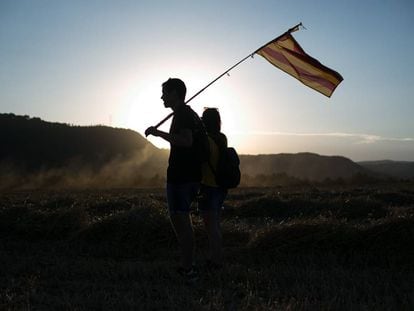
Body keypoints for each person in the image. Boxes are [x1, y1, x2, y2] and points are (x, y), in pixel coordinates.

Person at [145, 78, 201, 281]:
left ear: (176, 93)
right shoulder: (188, 114)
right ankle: (188, 265)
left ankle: (188, 270)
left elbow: (186, 141)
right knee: (183, 222)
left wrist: (158, 133)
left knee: (181, 222)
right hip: (190, 176)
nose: (162, 97)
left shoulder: (183, 115)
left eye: (165, 93)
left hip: (181, 178)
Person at [199, 108, 228, 269]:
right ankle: (216, 257)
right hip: (221, 187)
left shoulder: (206, 140)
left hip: (208, 186)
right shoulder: (222, 138)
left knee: (211, 227)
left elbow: (201, 161)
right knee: (215, 224)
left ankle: (216, 261)